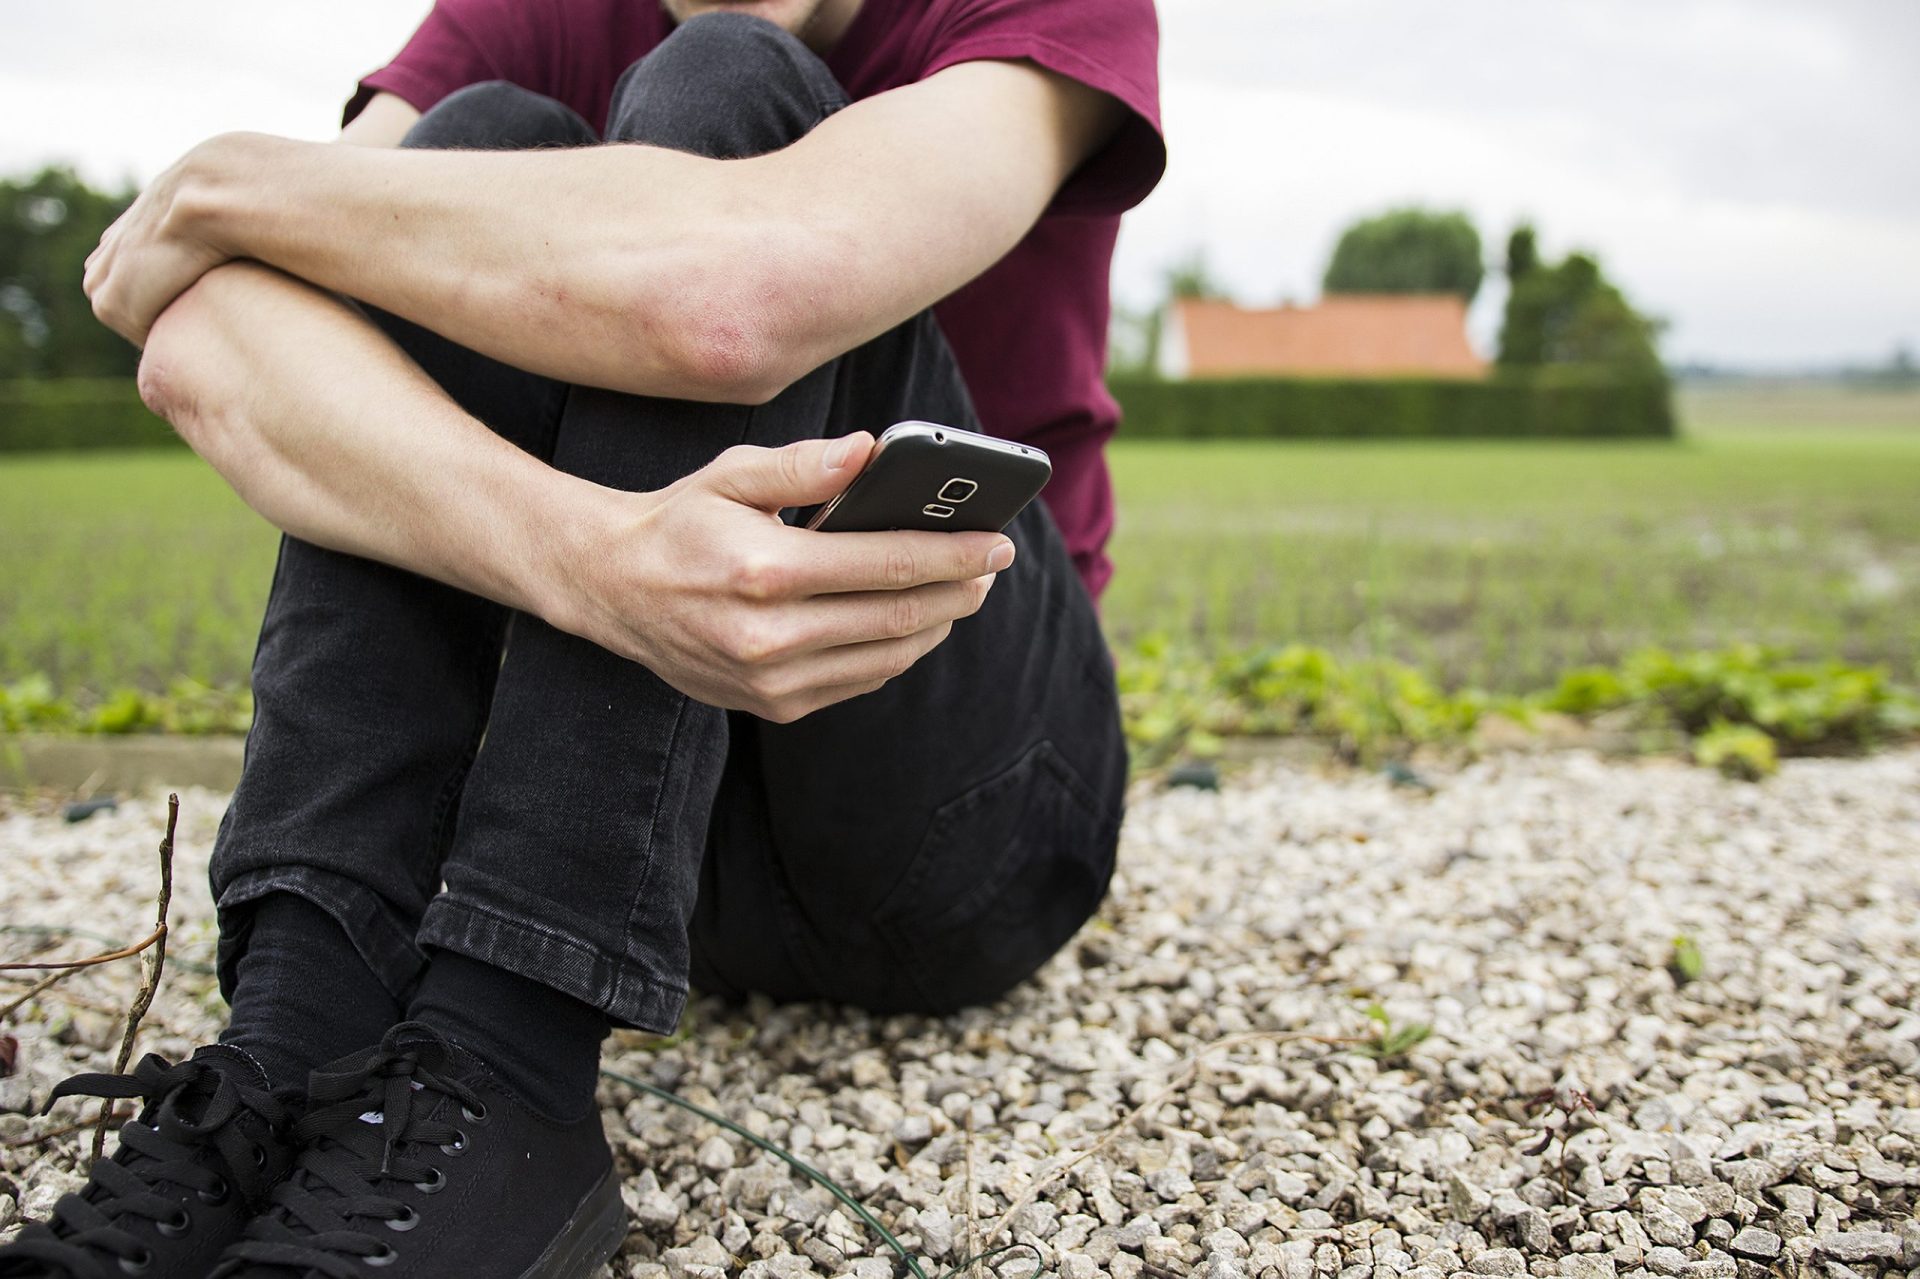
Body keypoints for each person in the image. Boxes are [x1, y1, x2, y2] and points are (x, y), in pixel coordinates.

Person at [2, 0, 1163, 1274]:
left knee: (727, 84)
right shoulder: (524, 17)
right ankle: (295, 1039)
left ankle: (510, 1063)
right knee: (480, 139)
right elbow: (202, 344)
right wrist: (594, 560)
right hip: (655, 824)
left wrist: (227, 185)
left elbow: (739, 292)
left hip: (960, 818)